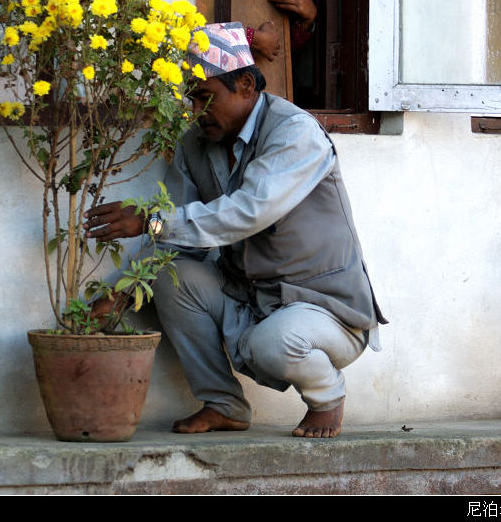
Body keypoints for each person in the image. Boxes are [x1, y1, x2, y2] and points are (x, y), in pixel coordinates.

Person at [84, 22, 387, 439]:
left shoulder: (294, 132)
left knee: (273, 343)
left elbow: (247, 212)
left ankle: (327, 398)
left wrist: (150, 221)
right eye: (189, 100)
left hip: (326, 309)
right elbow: (174, 233)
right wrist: (121, 292)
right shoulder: (195, 145)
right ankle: (223, 404)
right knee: (172, 276)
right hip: (252, 298)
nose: (196, 112)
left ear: (245, 84)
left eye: (205, 98)